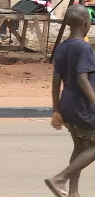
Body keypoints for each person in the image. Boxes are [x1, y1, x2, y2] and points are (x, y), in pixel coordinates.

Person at [46, 4, 95, 197]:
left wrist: (56, 109)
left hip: (66, 103)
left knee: (80, 147)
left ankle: (73, 192)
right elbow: (83, 79)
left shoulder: (62, 47)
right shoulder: (83, 47)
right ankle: (60, 178)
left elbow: (56, 80)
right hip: (82, 105)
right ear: (86, 24)